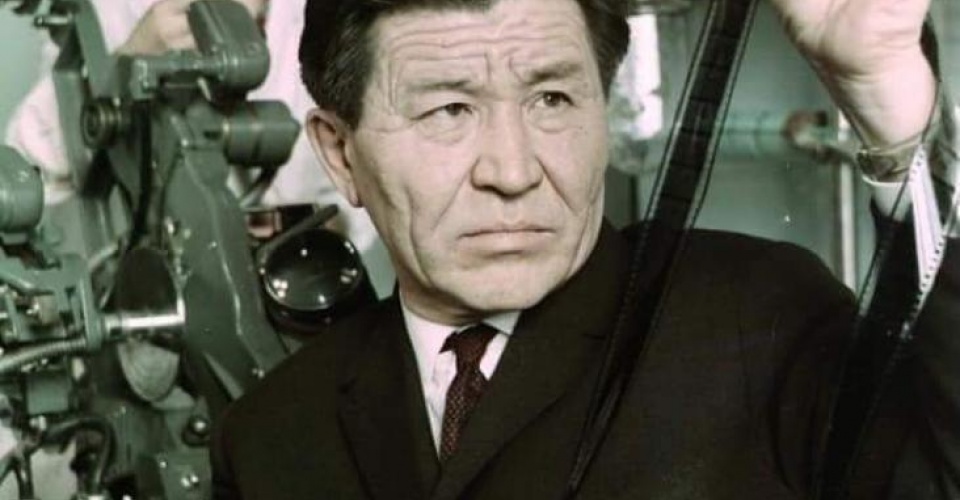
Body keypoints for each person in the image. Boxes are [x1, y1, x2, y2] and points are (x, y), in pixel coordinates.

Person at [211, 0, 960, 498]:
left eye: (553, 99)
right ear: (340, 154)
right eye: (449, 109)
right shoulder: (273, 435)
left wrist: (883, 87)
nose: (512, 171)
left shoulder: (755, 317)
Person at [4, 0, 382, 272]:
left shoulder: (334, 17)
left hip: (298, 285)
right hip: (148, 298)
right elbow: (30, 169)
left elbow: (363, 197)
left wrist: (327, 229)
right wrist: (131, 60)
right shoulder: (111, 11)